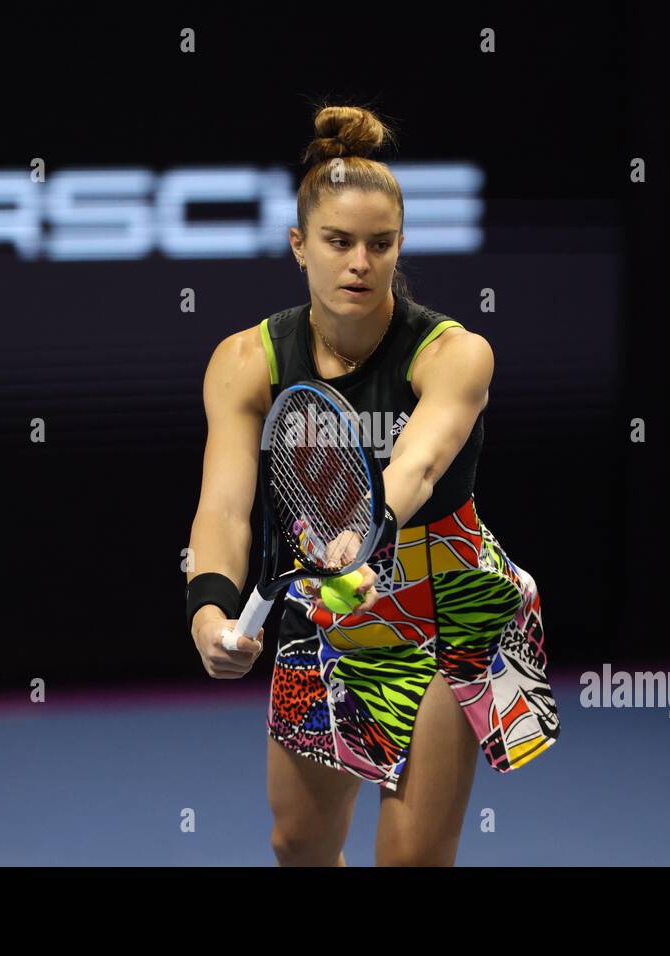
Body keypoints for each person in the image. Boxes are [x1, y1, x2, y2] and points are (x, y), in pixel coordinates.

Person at [184, 104, 560, 867]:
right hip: (328, 600)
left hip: (444, 597)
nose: (360, 261)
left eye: (379, 244)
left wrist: (369, 519)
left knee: (413, 857)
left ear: (399, 248)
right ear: (299, 246)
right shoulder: (245, 361)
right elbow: (224, 507)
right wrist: (209, 612)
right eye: (338, 241)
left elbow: (419, 462)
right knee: (299, 843)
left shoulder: (453, 353)